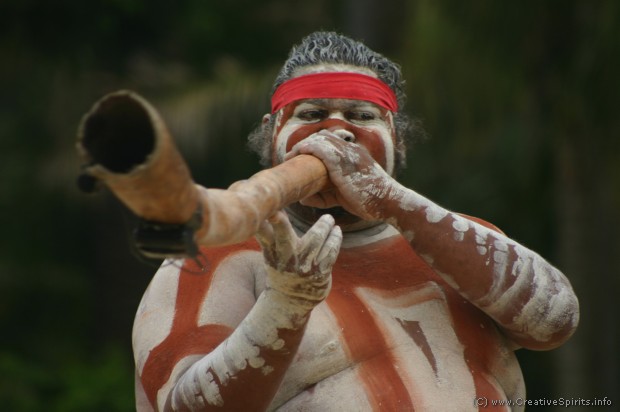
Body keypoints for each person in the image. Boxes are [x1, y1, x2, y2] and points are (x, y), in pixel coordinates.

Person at [132, 31, 579, 411]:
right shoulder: (218, 252)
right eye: (310, 115)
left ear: (396, 139)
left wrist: (392, 202)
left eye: (362, 116)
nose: (337, 131)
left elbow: (555, 320)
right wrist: (285, 306)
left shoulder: (457, 241)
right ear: (272, 134)